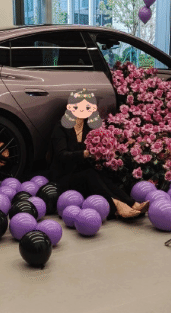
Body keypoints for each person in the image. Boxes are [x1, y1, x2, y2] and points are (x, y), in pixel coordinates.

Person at [48, 89, 148, 219]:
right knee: (90, 174)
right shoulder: (61, 128)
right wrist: (85, 154)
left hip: (81, 173)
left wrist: (105, 152)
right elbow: (61, 155)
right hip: (63, 177)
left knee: (99, 174)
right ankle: (117, 206)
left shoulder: (88, 127)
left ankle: (132, 204)